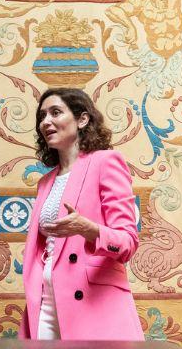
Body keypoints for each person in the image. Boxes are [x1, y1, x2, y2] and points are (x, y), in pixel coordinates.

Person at [19, 87, 143, 341]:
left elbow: (128, 242)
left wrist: (89, 230)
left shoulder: (106, 161)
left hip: (93, 301)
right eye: (42, 116)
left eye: (55, 112)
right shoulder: (45, 182)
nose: (46, 122)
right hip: (45, 300)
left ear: (82, 119)